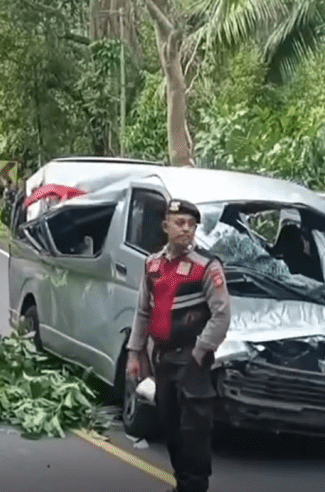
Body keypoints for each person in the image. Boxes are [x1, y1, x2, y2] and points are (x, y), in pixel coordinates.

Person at [125, 199, 231, 492]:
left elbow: (222, 314)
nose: (186, 229)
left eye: (191, 224)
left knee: (194, 431)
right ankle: (182, 483)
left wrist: (200, 351)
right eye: (179, 223)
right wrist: (135, 353)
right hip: (163, 359)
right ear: (166, 227)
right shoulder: (153, 264)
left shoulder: (206, 266)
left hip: (193, 360)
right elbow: (143, 311)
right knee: (169, 425)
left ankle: (194, 486)